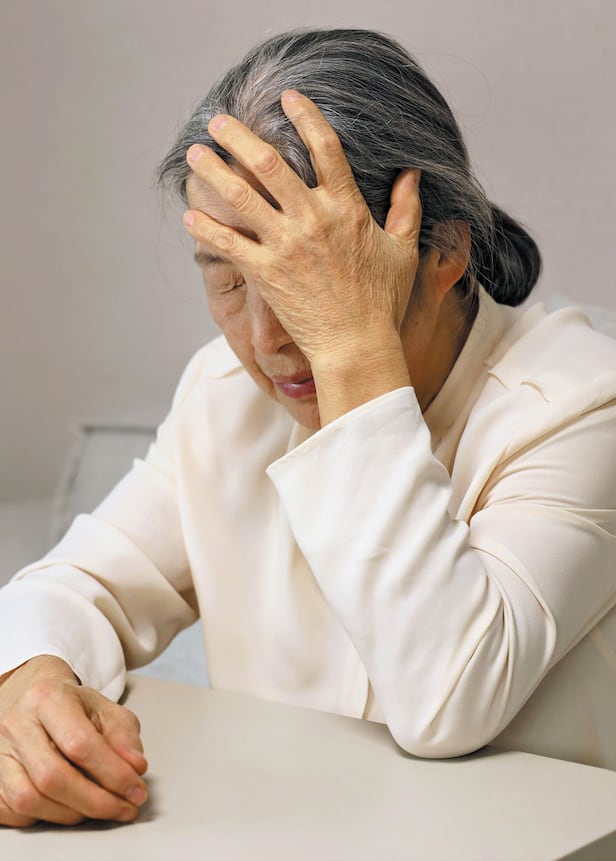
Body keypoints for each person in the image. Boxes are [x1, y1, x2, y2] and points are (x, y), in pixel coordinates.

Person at [1, 28, 615, 828]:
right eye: (229, 280)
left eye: (302, 280)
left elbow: (448, 697)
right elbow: (74, 585)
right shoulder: (226, 395)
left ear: (442, 251)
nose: (265, 341)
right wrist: (30, 683)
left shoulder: (582, 402)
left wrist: (352, 349)